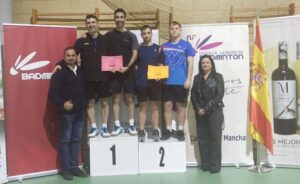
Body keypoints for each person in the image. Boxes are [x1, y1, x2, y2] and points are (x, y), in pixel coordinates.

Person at [49, 47, 88, 180]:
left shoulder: (81, 71)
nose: (71, 58)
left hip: (80, 112)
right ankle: (66, 169)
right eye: (68, 56)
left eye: (73, 55)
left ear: (76, 57)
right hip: (66, 113)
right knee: (65, 140)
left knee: (76, 140)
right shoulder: (59, 72)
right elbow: (52, 94)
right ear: (64, 57)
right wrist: (63, 104)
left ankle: (74, 167)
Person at [104, 8, 139, 136]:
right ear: (114, 19)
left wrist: (128, 67)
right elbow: (104, 52)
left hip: (128, 72)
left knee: (130, 99)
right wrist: (85, 35)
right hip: (114, 73)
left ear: (125, 19)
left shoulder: (131, 35)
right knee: (116, 99)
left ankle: (131, 124)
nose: (119, 19)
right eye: (117, 17)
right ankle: (117, 125)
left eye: (121, 17)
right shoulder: (109, 35)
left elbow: (135, 53)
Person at [160, 21, 195, 141]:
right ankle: (169, 129)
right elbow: (160, 64)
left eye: (176, 28)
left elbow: (191, 63)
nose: (174, 30)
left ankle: (180, 130)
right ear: (169, 31)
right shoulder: (163, 46)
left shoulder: (186, 45)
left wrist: (189, 79)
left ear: (180, 30)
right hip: (166, 82)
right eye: (172, 28)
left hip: (181, 82)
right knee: (167, 105)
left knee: (181, 107)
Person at [191, 54, 224, 174]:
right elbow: (193, 95)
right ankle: (205, 164)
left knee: (215, 138)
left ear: (211, 64)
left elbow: (219, 96)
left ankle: (215, 166)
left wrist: (206, 109)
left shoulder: (218, 77)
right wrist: (198, 108)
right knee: (203, 139)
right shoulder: (196, 78)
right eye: (203, 63)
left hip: (214, 112)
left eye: (207, 62)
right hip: (200, 113)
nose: (205, 64)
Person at [136, 25, 161, 142]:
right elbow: (135, 65)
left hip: (154, 83)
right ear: (141, 35)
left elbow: (161, 65)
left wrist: (159, 75)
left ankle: (155, 130)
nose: (146, 35)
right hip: (141, 82)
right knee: (142, 107)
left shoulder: (158, 48)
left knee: (155, 107)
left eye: (148, 33)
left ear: (151, 34)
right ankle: (141, 130)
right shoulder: (138, 49)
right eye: (144, 33)